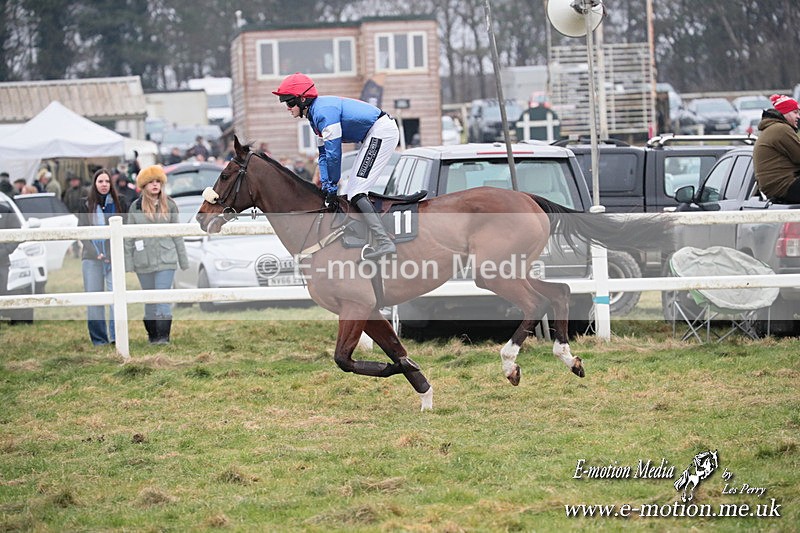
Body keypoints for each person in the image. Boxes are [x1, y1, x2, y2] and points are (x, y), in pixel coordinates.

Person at [272, 72, 400, 259]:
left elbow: (334, 154)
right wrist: (326, 186)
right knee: (352, 190)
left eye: (290, 102)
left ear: (302, 99)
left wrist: (332, 186)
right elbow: (323, 155)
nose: (287, 108)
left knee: (356, 191)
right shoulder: (314, 116)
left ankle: (384, 241)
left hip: (382, 131)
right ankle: (374, 236)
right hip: (373, 133)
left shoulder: (323, 113)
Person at [124, 165, 188, 344]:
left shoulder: (171, 205)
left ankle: (163, 338)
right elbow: (128, 238)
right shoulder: (135, 208)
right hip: (142, 262)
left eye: (158, 181)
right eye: (151, 182)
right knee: (149, 299)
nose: (155, 185)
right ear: (143, 186)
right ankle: (152, 336)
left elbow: (177, 234)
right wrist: (128, 264)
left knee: (162, 297)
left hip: (166, 260)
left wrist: (183, 261)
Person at [78, 169, 129, 346]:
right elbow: (82, 232)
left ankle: (116, 337)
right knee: (94, 300)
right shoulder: (85, 205)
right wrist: (96, 253)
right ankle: (99, 339)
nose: (104, 184)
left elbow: (125, 228)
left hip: (114, 256)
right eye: (100, 181)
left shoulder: (120, 202)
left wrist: (111, 253)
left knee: (117, 298)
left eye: (107, 181)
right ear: (95, 184)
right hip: (91, 257)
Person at [753, 94, 800, 203]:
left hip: (775, 187)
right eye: (795, 112)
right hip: (785, 185)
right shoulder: (781, 129)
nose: (798, 116)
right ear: (784, 113)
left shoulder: (772, 129)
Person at [0, 197, 22, 303]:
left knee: (1, 293)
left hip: (1, 263)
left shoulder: (5, 211)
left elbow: (17, 233)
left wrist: (5, 250)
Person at [62, 172, 87, 258]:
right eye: (72, 181)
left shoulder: (84, 191)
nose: (73, 182)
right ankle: (76, 252)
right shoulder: (68, 192)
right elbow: (65, 203)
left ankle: (85, 251)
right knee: (74, 236)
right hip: (71, 215)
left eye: (75, 180)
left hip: (82, 215)